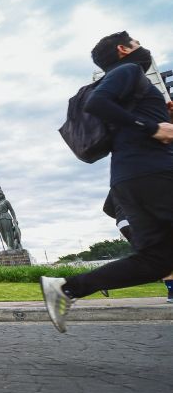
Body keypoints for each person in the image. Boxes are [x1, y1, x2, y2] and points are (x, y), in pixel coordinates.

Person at [41, 31, 173, 332]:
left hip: (129, 179)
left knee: (157, 261)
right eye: (137, 42)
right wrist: (152, 127)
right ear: (123, 49)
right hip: (154, 173)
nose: (142, 47)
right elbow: (97, 103)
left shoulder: (128, 85)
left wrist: (158, 120)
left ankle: (65, 289)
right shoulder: (129, 70)